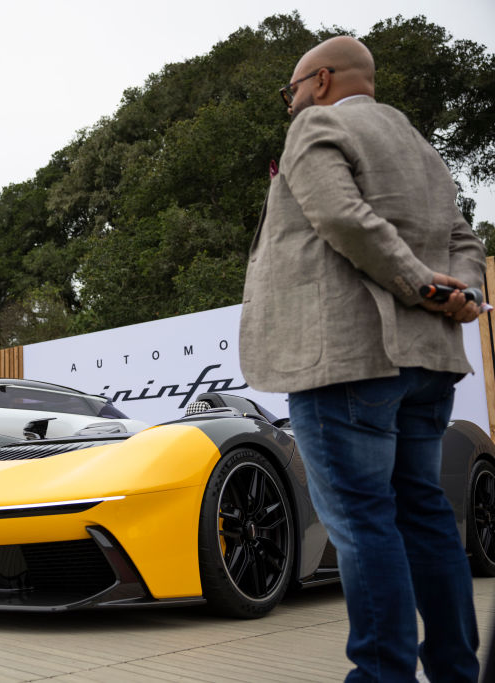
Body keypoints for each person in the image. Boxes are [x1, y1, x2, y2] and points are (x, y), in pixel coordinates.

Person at [239, 36, 485, 681]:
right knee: (424, 515)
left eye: (291, 89)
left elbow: (342, 217)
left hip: (349, 358)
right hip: (429, 361)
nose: (290, 103)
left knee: (361, 520)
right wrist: (462, 294)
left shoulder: (317, 125)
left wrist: (421, 286)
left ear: (320, 81)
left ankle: (382, 675)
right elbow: (464, 238)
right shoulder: (421, 148)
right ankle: (456, 670)